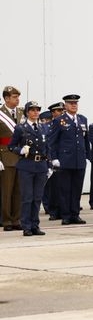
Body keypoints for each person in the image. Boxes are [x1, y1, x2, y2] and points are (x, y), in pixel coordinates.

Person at [48, 94, 90, 225]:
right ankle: (66, 215)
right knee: (65, 189)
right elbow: (52, 141)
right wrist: (54, 158)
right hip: (65, 160)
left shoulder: (83, 119)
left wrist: (87, 155)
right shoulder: (59, 120)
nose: (74, 105)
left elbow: (85, 139)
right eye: (71, 103)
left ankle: (75, 214)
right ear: (65, 105)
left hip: (79, 160)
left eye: (75, 103)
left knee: (77, 189)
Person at [9, 101, 48, 236]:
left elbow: (47, 147)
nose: (35, 112)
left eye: (37, 110)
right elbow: (11, 146)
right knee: (27, 197)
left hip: (41, 166)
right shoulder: (21, 128)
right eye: (32, 110)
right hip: (26, 166)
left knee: (37, 197)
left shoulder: (43, 127)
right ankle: (26, 226)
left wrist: (49, 164)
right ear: (27, 112)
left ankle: (35, 225)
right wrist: (20, 150)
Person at [0, 85, 23, 231]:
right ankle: (7, 221)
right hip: (6, 156)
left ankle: (16, 219)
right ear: (6, 98)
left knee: (18, 191)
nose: (17, 100)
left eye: (18, 97)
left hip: (21, 156)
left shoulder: (21, 113)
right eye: (14, 97)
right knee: (6, 192)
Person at [43, 101, 65, 220]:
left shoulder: (66, 124)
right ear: (53, 113)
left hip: (65, 159)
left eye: (62, 111)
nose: (61, 113)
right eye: (58, 111)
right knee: (53, 188)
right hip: (53, 160)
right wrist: (50, 161)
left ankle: (63, 209)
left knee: (63, 187)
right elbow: (48, 145)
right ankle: (53, 210)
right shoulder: (47, 126)